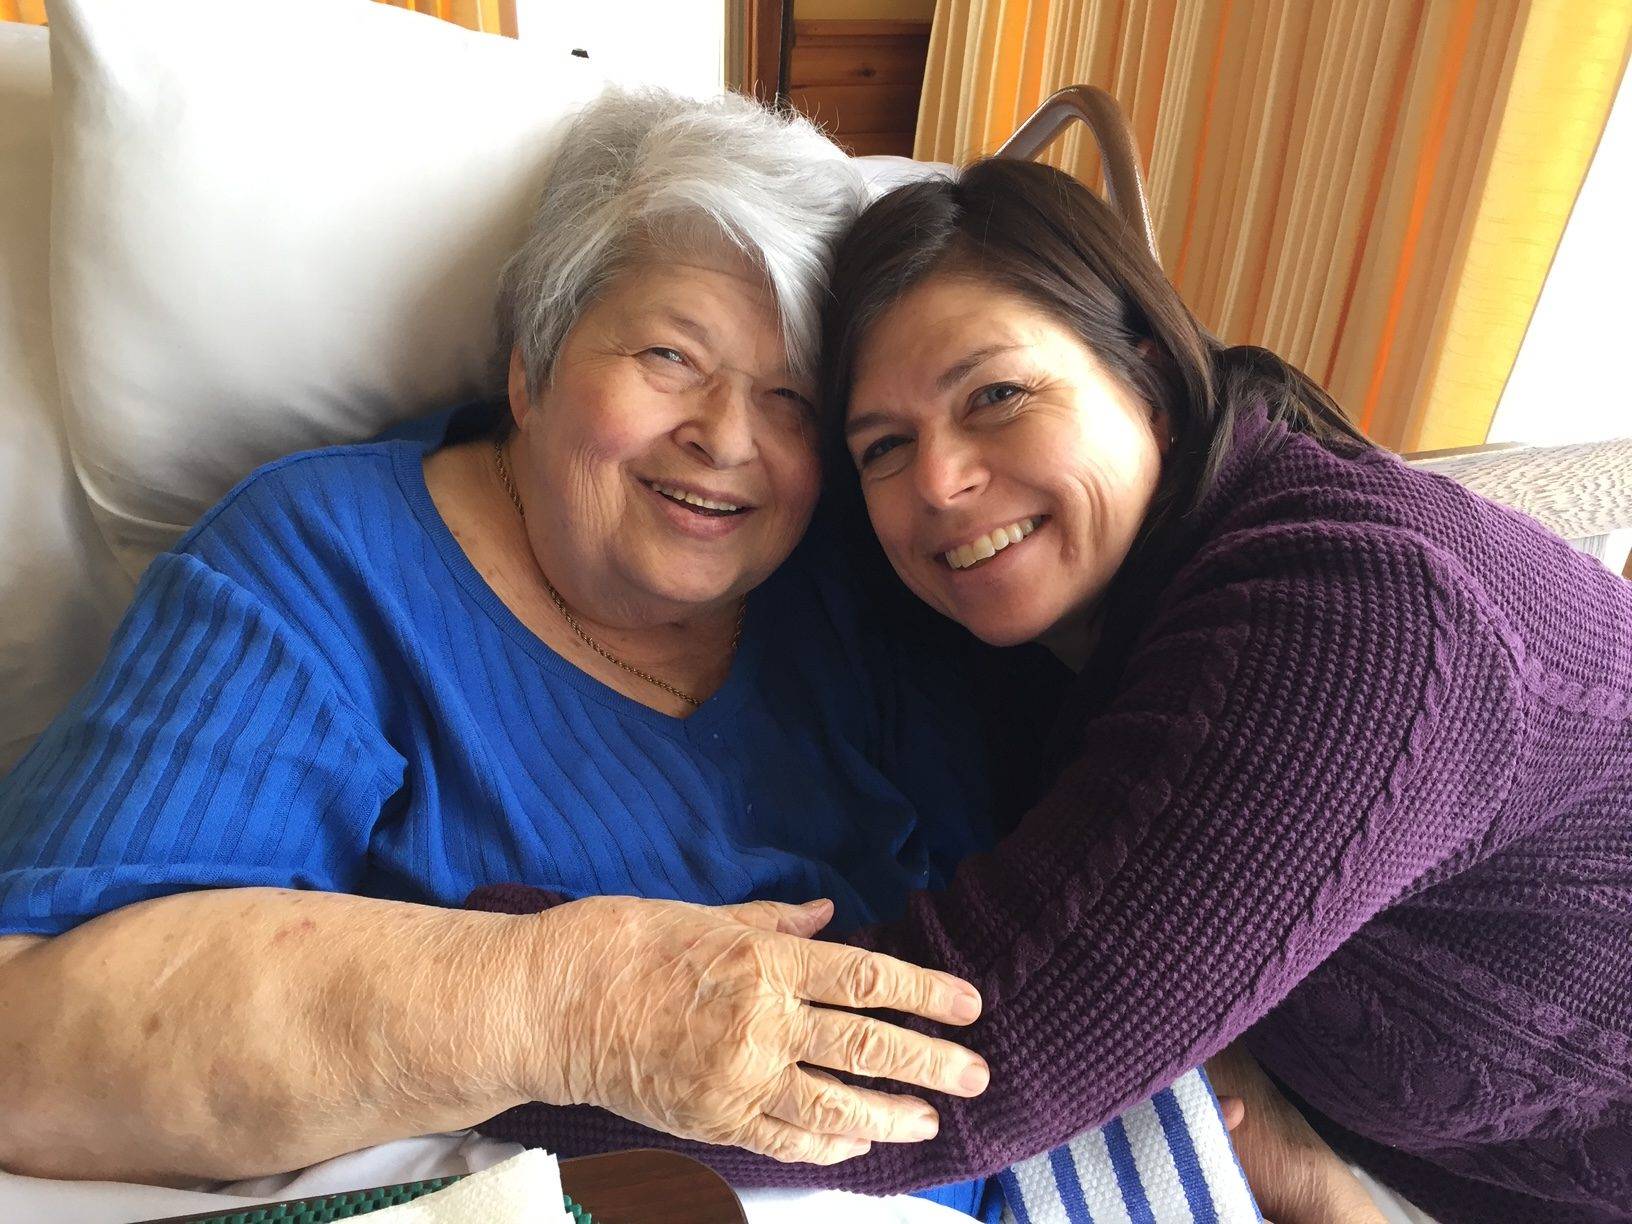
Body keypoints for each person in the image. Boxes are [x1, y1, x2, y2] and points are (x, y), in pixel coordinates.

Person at [475, 157, 1632, 1224]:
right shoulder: (1046, 630)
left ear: (1151, 382)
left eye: (996, 397)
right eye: (882, 445)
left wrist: (443, 1003)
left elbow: (954, 1065)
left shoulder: (1350, 620)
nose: (939, 480)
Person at [0, 89, 1007, 1215]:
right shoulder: (323, 567)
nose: (728, 438)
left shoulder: (855, 577)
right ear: (530, 368)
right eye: (672, 356)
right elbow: (27, 1043)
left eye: (790, 398)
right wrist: (575, 1007)